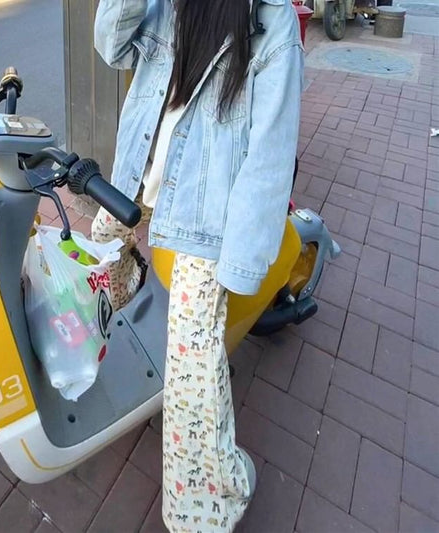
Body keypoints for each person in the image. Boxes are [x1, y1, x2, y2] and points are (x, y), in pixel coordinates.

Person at [93, 0, 303, 531]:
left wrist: (236, 266)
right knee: (96, 260)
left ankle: (206, 511)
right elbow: (111, 46)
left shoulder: (271, 21)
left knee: (193, 365)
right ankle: (116, 353)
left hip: (205, 213)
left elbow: (270, 153)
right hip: (136, 177)